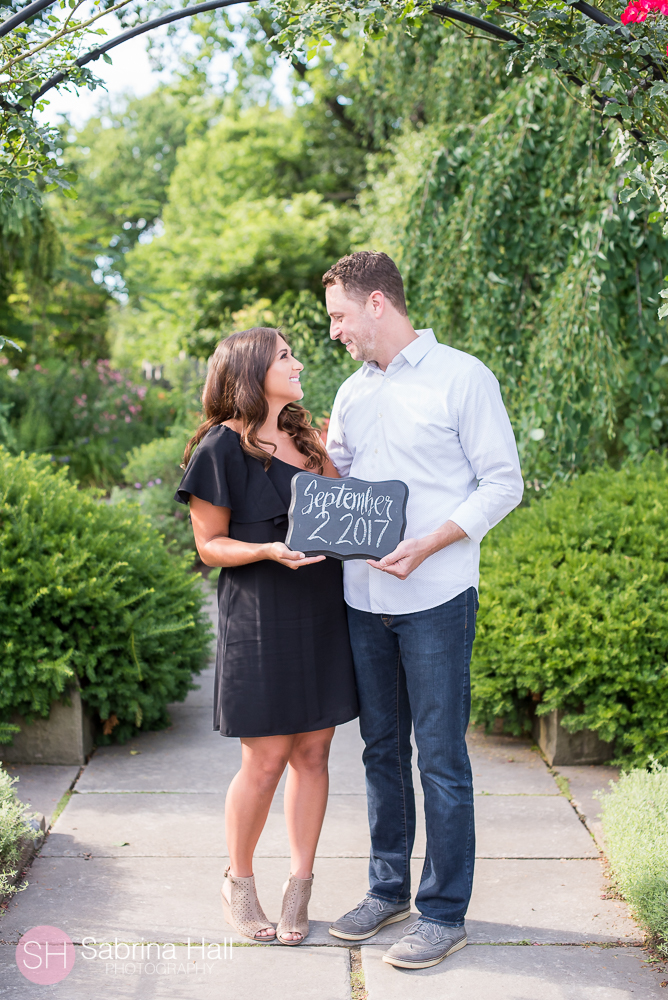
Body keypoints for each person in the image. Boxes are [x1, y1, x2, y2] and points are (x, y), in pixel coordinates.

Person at [323, 252, 523, 969]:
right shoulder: (350, 393)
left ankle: (443, 912)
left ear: (378, 304)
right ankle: (387, 891)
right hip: (361, 600)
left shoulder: (462, 378)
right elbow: (338, 480)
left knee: (439, 759)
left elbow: (503, 484)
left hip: (437, 598)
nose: (336, 332)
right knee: (380, 752)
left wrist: (429, 543)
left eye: (341, 317)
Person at [175, 327, 358, 946]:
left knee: (314, 754)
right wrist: (268, 549)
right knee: (266, 759)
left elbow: (349, 513)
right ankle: (240, 880)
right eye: (286, 356)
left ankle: (300, 886)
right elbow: (209, 546)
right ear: (252, 370)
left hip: (322, 610)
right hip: (259, 615)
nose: (299, 363)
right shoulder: (219, 449)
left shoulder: (309, 440)